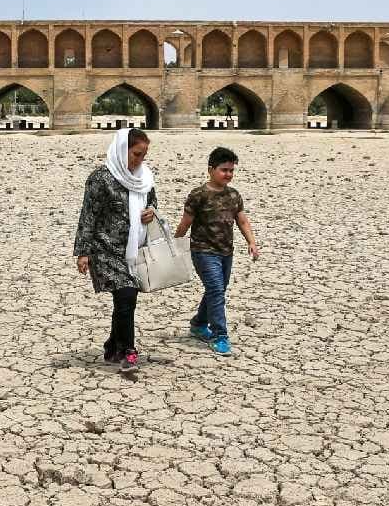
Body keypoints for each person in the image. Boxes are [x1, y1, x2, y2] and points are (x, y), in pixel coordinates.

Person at [74, 128, 157, 373]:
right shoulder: (100, 178)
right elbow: (88, 216)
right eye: (136, 154)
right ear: (122, 150)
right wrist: (83, 252)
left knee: (124, 299)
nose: (139, 160)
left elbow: (151, 201)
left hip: (133, 248)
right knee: (126, 296)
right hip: (105, 249)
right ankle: (128, 351)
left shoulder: (144, 177)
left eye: (143, 155)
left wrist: (151, 211)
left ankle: (112, 345)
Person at [174, 147, 259, 356]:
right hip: (203, 251)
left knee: (217, 289)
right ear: (211, 170)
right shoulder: (198, 195)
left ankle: (198, 323)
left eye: (231, 170)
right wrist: (174, 246)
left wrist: (252, 242)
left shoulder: (234, 195)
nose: (228, 174)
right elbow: (185, 223)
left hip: (226, 252)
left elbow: (242, 221)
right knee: (216, 290)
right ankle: (220, 335)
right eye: (224, 170)